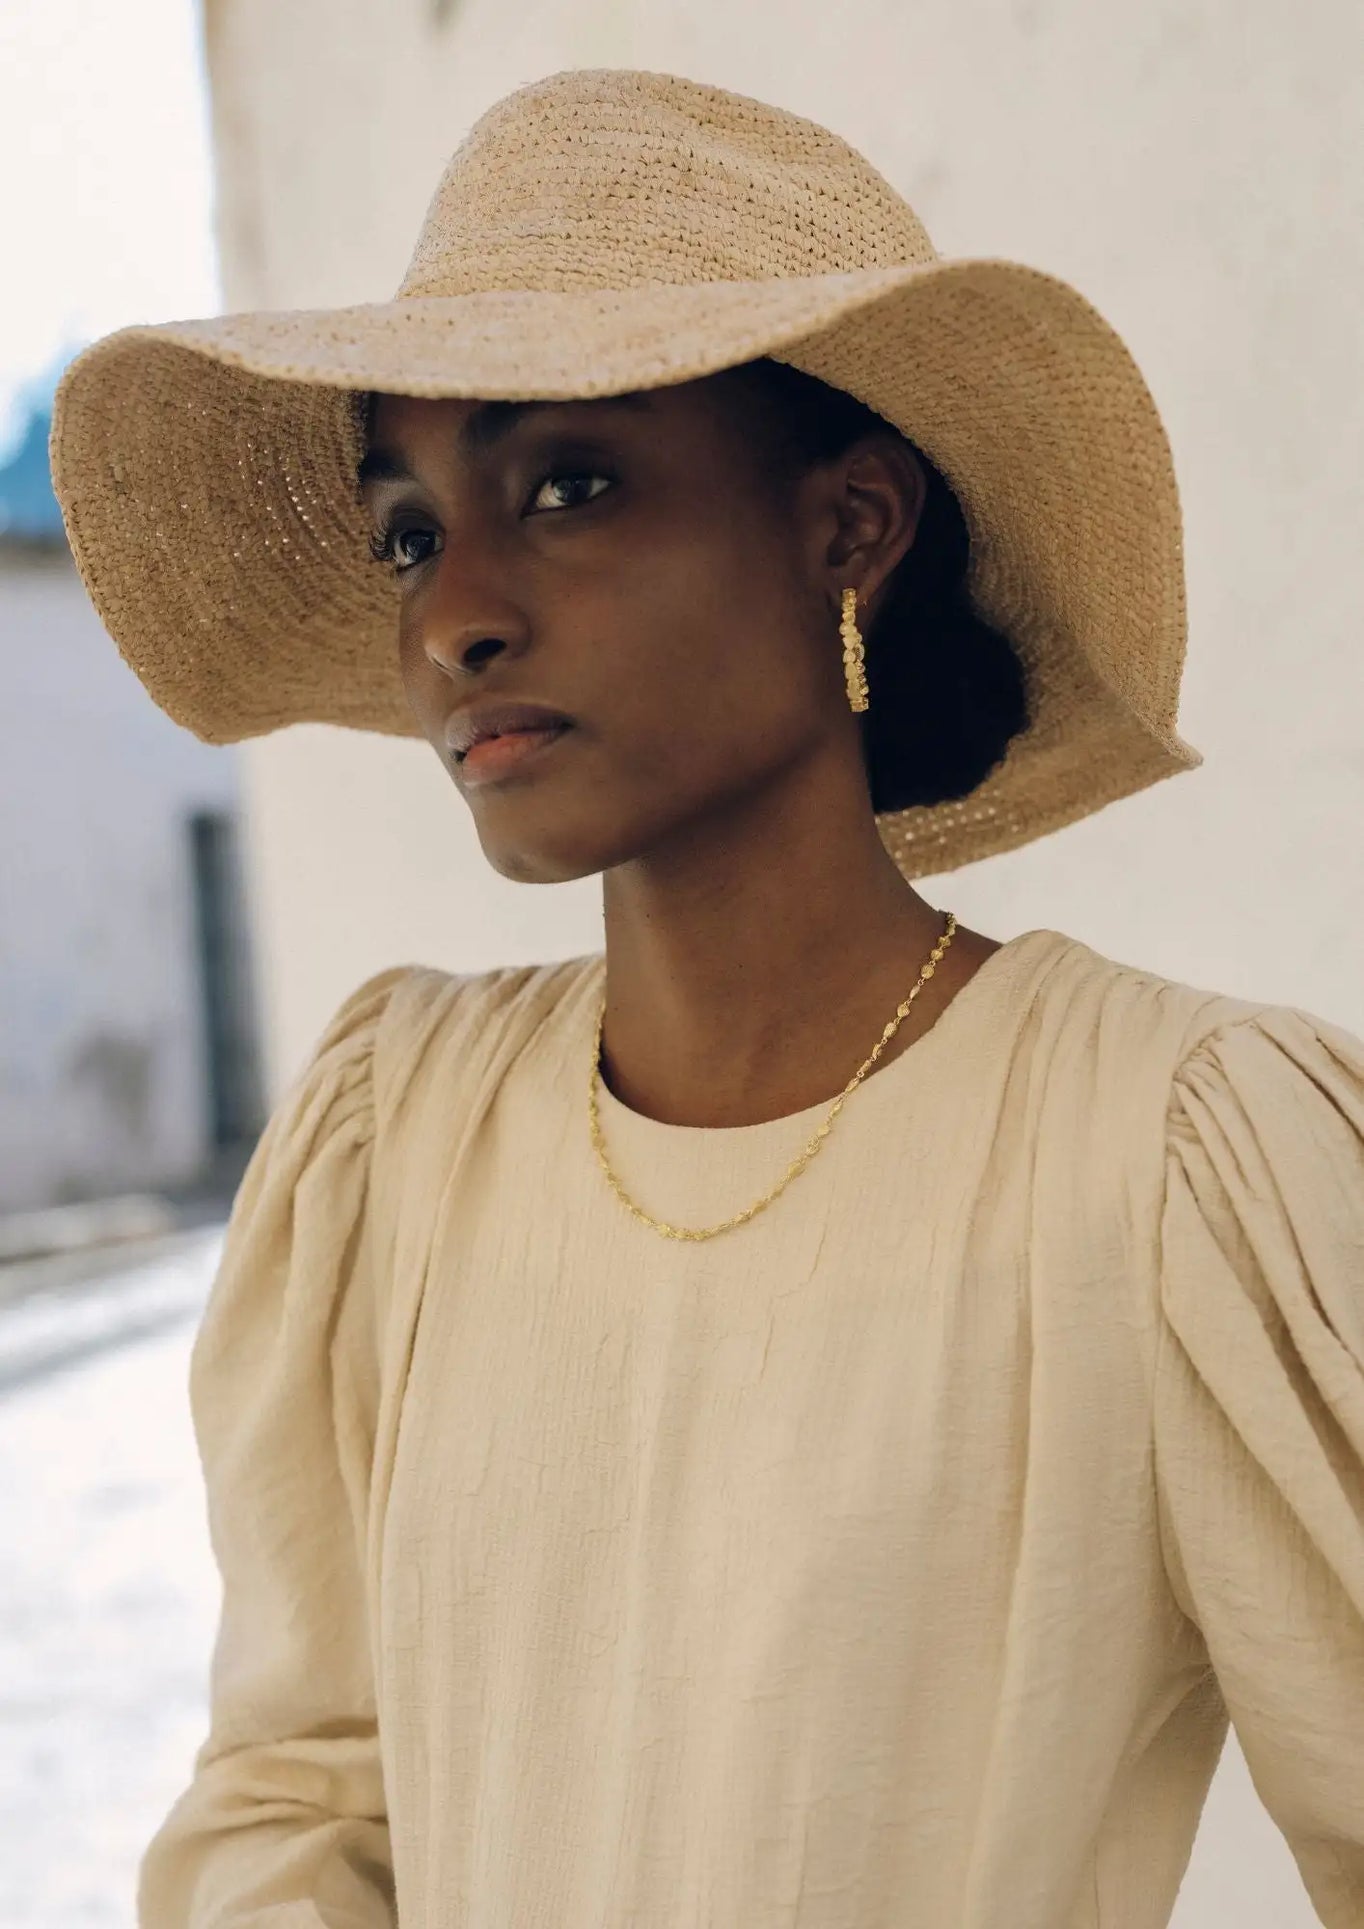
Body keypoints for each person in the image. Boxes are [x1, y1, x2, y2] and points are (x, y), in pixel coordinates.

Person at [50, 65, 1364, 1929]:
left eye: (568, 483)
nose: (454, 618)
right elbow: (297, 1789)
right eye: (412, 529)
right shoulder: (393, 1139)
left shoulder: (1167, 1159)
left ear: (854, 524)